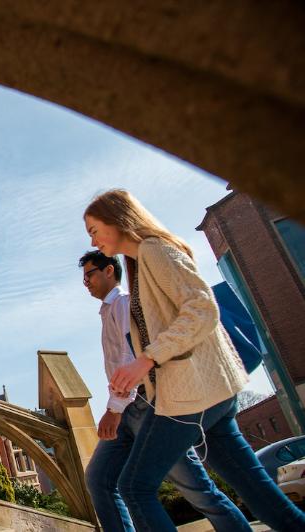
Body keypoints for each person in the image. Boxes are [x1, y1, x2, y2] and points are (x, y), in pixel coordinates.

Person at [84, 189, 305, 532]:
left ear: (117, 220)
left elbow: (203, 308)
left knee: (134, 487)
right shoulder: (140, 265)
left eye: (94, 229)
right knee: (261, 496)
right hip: (208, 393)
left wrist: (145, 360)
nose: (93, 239)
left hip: (191, 395)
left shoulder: (155, 250)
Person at [80, 250, 250, 532]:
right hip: (128, 409)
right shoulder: (108, 310)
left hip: (147, 407)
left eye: (89, 275)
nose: (85, 282)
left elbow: (129, 356)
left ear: (109, 270)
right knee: (99, 480)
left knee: (197, 490)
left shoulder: (123, 304)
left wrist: (113, 409)